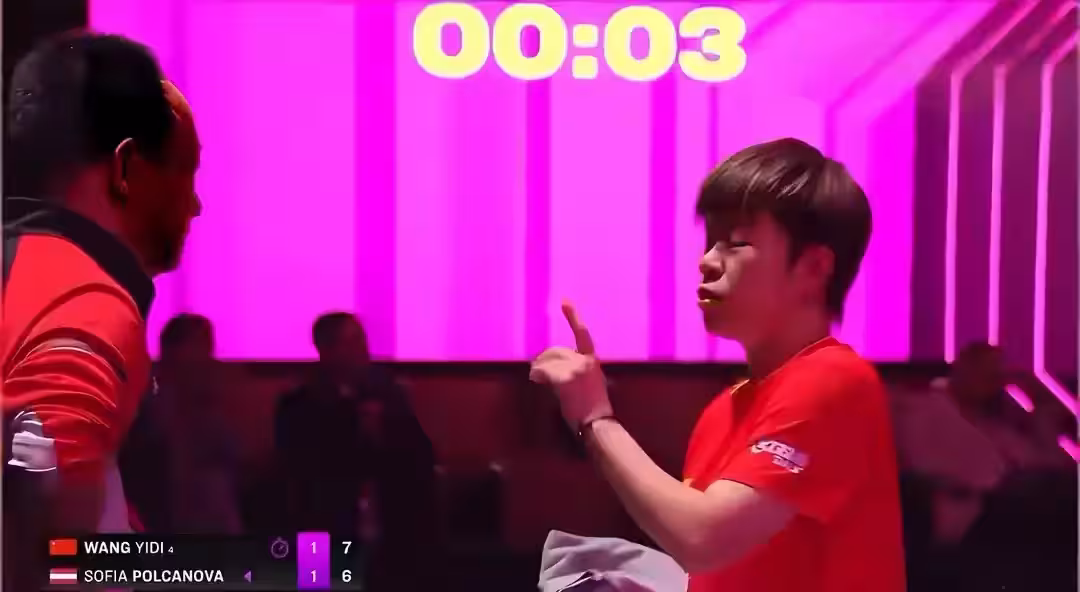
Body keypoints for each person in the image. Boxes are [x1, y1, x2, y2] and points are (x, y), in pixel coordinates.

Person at [530, 138, 905, 592]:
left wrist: (596, 418)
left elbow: (702, 537)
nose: (707, 261)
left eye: (736, 242)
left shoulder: (834, 379)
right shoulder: (722, 410)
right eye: (710, 242)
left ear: (813, 267)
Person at [1, 31, 200, 589]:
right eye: (186, 171)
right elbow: (49, 529)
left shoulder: (23, 269)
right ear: (126, 167)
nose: (195, 204)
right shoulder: (84, 295)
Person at [274, 313, 436, 591]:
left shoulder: (388, 394)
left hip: (385, 524)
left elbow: (420, 455)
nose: (362, 350)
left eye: (362, 340)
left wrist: (384, 431)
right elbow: (301, 461)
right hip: (320, 523)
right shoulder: (299, 403)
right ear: (326, 349)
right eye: (351, 342)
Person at [154, 314, 243, 534]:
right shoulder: (156, 394)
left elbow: (231, 449)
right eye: (200, 343)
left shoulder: (216, 390)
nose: (208, 351)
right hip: (171, 497)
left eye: (208, 342)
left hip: (209, 497)